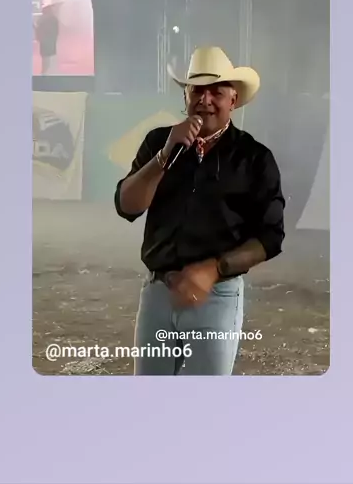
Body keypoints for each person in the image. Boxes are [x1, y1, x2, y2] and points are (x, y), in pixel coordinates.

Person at [114, 46, 285, 376]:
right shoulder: (159, 142)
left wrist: (214, 269)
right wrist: (165, 154)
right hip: (157, 294)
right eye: (197, 91)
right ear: (186, 96)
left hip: (217, 297)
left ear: (233, 100)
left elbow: (270, 236)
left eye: (216, 92)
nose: (205, 100)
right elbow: (127, 205)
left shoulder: (254, 158)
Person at [34, 0, 59, 75]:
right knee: (49, 65)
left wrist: (37, 32)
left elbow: (39, 31)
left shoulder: (43, 18)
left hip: (45, 45)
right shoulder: (52, 18)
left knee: (47, 65)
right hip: (50, 45)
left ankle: (45, 75)